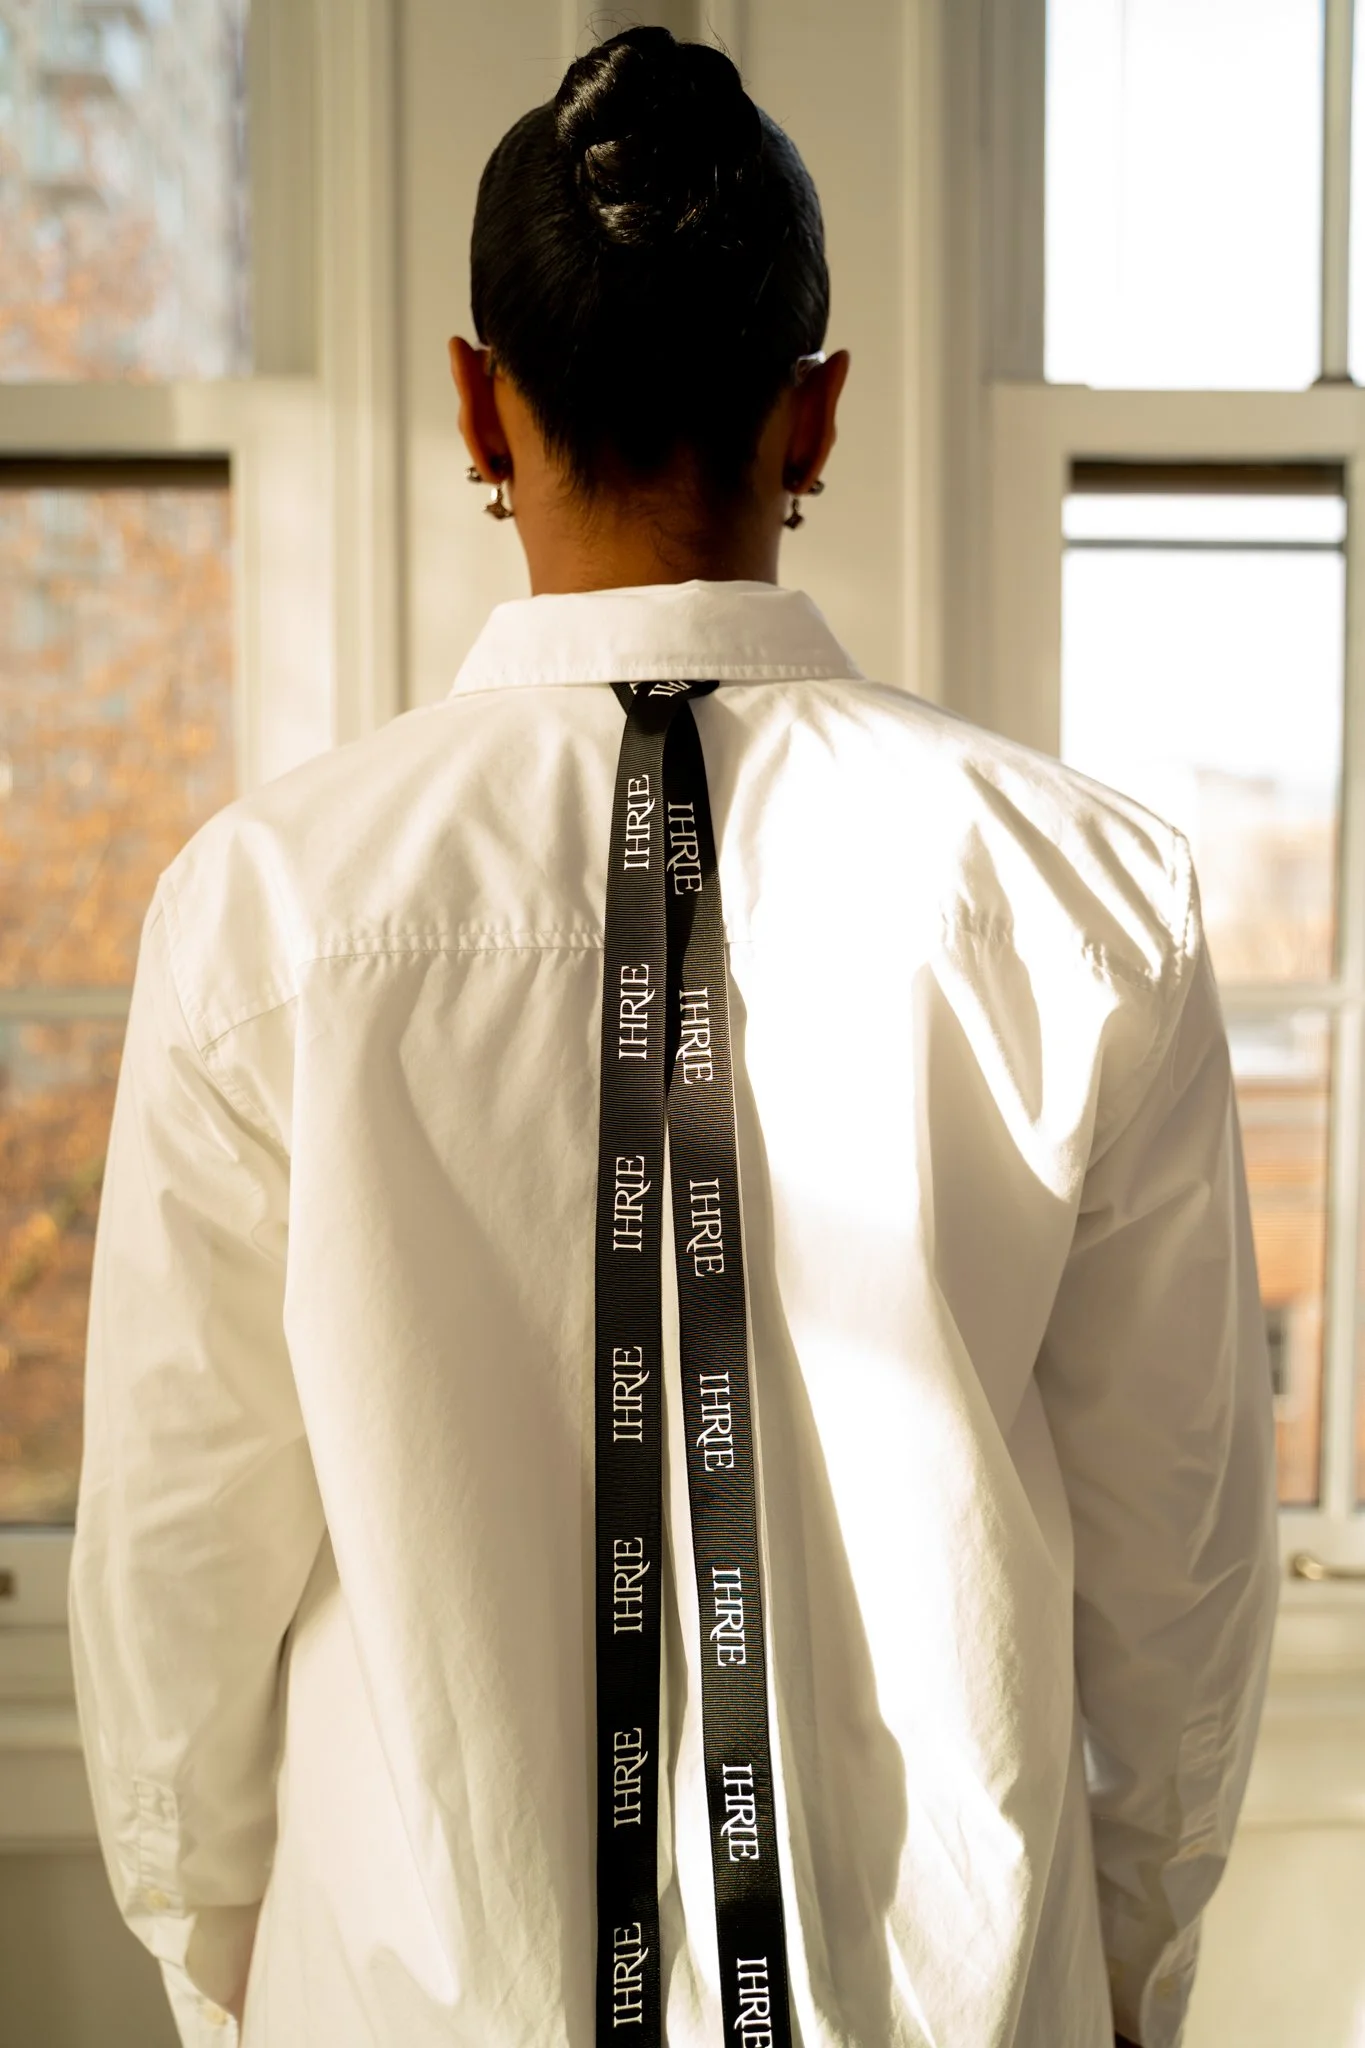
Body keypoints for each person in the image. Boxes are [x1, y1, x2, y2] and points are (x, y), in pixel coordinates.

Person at [69, 26, 1279, 2048]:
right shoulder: (1087, 902)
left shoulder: (265, 908)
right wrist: (1125, 1981)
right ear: (814, 418)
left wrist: (234, 1987)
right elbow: (1175, 1579)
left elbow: (174, 1571)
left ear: (476, 396)